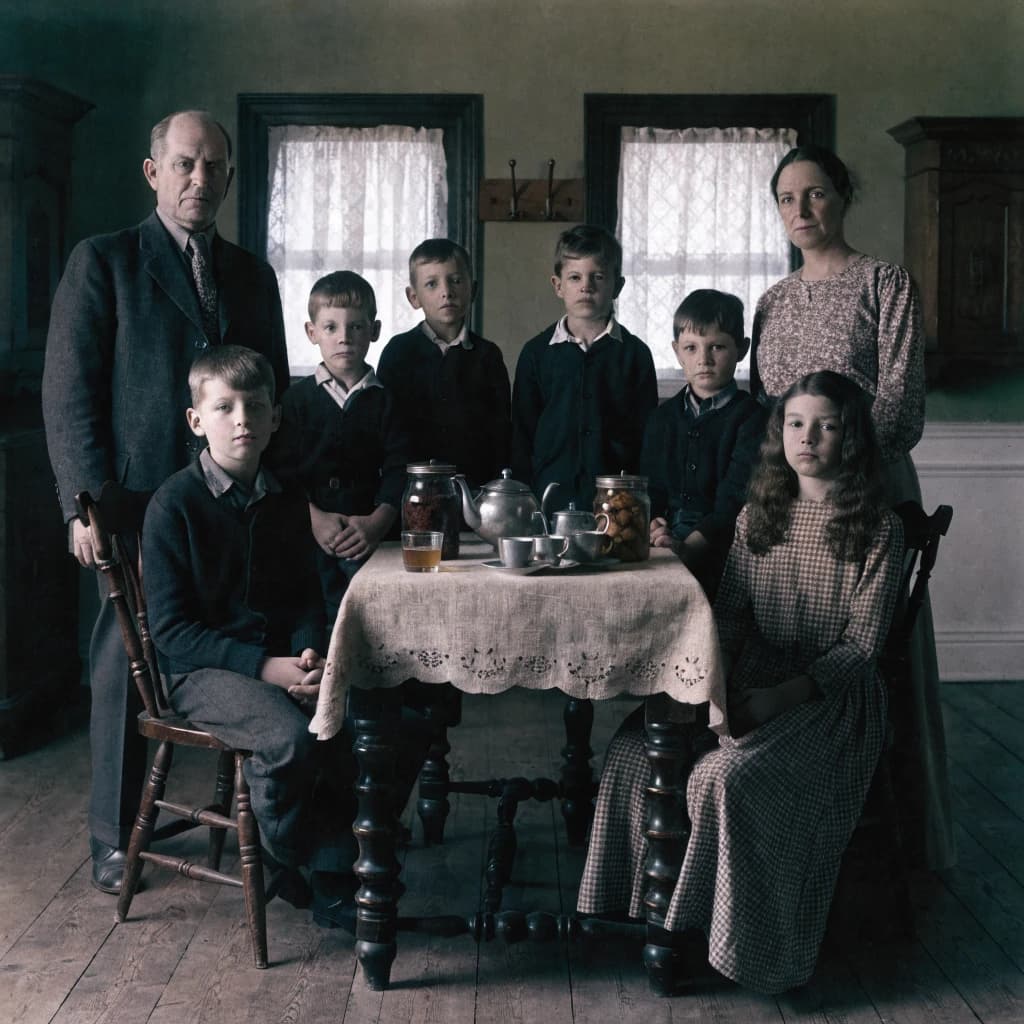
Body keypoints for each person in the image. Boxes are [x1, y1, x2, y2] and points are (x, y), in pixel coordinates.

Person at [577, 371, 905, 995]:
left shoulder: (877, 528)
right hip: (748, 675)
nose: (809, 437)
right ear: (779, 432)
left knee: (722, 777)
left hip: (828, 698)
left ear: (851, 438)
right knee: (630, 752)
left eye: (827, 426)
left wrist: (779, 698)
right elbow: (728, 615)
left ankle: (720, 940)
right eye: (796, 424)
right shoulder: (760, 513)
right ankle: (641, 915)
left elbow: (862, 647)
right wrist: (713, 691)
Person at [41, 109, 290, 894]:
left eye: (214, 167)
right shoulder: (105, 261)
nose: (200, 180)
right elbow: (69, 392)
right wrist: (83, 506)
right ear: (154, 173)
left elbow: (274, 392)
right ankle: (115, 837)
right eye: (185, 164)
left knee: (241, 634)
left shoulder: (252, 275)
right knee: (128, 656)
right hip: (134, 503)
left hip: (234, 502)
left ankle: (276, 825)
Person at [750, 144, 953, 872]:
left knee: (867, 657)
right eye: (785, 199)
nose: (800, 213)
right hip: (789, 499)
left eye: (815, 195)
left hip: (868, 495)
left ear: (843, 196)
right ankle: (782, 827)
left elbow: (899, 405)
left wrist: (838, 479)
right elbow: (765, 414)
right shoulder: (771, 301)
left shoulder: (885, 285)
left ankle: (881, 854)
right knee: (781, 640)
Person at [142, 346, 354, 912]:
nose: (242, 419)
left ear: (274, 417)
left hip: (279, 659)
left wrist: (308, 653)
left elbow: (306, 593)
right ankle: (290, 857)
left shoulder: (284, 498)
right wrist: (264, 667)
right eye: (224, 407)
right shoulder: (174, 506)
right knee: (287, 739)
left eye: (255, 406)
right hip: (199, 670)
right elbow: (169, 630)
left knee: (356, 719)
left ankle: (332, 866)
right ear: (196, 420)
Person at [266, 271, 408, 622]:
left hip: (371, 536)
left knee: (375, 614)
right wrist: (312, 517)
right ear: (312, 333)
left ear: (373, 331)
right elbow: (280, 469)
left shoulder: (386, 400)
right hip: (309, 533)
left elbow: (398, 466)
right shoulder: (296, 400)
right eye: (331, 328)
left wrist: (377, 522)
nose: (344, 338)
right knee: (317, 615)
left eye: (356, 327)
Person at [511, 224, 658, 509]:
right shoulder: (536, 354)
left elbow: (647, 438)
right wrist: (524, 497)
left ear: (617, 286)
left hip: (617, 501)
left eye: (598, 277)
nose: (586, 286)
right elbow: (522, 434)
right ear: (558, 285)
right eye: (575, 277)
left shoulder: (635, 354)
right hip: (548, 496)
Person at [641, 289, 768, 595]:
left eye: (717, 347)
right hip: (664, 543)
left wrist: (687, 548)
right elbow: (651, 489)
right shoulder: (661, 418)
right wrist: (654, 528)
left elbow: (734, 502)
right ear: (676, 351)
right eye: (691, 348)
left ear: (742, 349)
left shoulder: (752, 419)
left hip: (722, 549)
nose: (704, 360)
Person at [377, 238, 511, 490]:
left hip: (475, 490)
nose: (446, 291)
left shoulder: (487, 356)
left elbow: (501, 434)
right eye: (431, 284)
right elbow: (388, 434)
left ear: (473, 289)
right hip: (412, 490)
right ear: (413, 297)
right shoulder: (398, 353)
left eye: (456, 281)